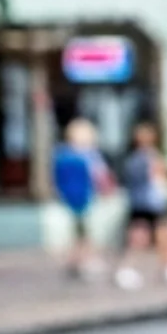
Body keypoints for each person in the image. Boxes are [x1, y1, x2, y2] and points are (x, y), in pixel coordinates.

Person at [114, 120, 167, 290]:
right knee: (155, 236)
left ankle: (164, 266)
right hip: (151, 202)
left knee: (153, 236)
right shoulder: (146, 158)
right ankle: (163, 267)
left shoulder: (134, 158)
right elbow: (159, 177)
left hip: (143, 203)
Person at [50, 117, 112, 280]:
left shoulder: (61, 154)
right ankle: (85, 260)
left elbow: (56, 179)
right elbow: (100, 175)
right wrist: (106, 190)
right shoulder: (90, 155)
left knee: (77, 231)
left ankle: (75, 260)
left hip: (68, 199)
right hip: (86, 197)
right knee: (87, 231)